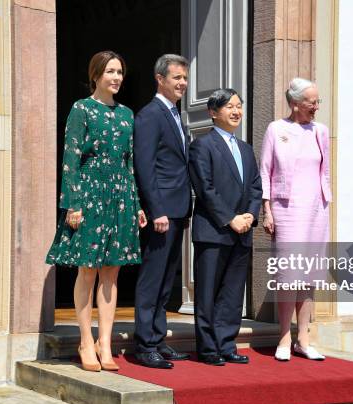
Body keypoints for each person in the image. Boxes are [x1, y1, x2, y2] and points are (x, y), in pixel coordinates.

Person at [46, 51, 147, 372]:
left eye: (120, 72)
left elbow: (130, 162)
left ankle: (105, 342)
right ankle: (85, 341)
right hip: (89, 194)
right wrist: (71, 204)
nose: (116, 78)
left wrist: (137, 203)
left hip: (121, 196)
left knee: (112, 271)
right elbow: (71, 159)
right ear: (96, 75)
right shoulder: (81, 109)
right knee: (87, 270)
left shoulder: (128, 114)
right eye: (110, 72)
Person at [188, 88, 262, 366]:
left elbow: (255, 186)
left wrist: (250, 216)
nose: (236, 111)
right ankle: (208, 349)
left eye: (239, 106)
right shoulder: (202, 145)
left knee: (232, 293)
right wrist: (231, 218)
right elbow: (204, 188)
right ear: (212, 112)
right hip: (214, 230)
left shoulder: (245, 149)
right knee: (207, 293)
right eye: (230, 106)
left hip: (243, 231)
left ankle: (226, 344)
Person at [260, 78, 331, 361]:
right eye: (311, 102)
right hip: (286, 209)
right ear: (294, 103)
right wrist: (267, 209)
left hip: (316, 210)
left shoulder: (321, 131)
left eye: (318, 102)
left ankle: (304, 338)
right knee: (289, 275)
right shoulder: (276, 129)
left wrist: (326, 202)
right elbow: (265, 170)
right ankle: (284, 337)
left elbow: (324, 171)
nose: (316, 107)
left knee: (309, 276)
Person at [133, 54, 192, 369]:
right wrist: (155, 210)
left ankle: (157, 338)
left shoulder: (175, 114)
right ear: (160, 79)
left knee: (167, 279)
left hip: (178, 208)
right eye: (177, 77)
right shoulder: (150, 115)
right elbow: (145, 167)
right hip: (162, 212)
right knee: (152, 278)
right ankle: (144, 345)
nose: (183, 83)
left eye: (185, 78)